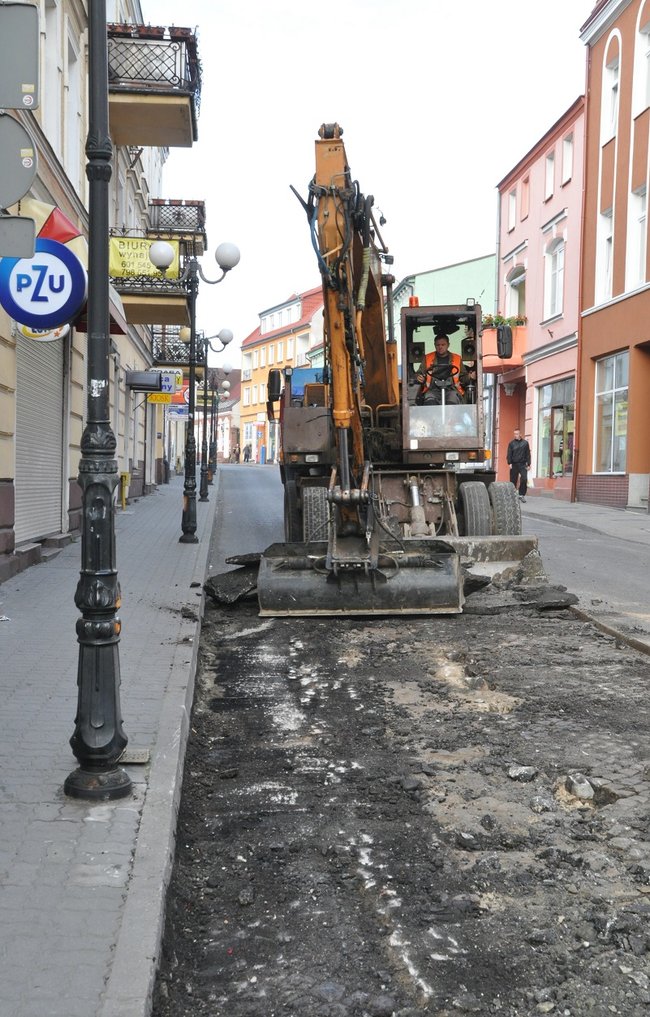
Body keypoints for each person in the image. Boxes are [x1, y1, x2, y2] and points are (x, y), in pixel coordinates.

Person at [415, 334, 467, 405]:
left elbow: (464, 376)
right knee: (429, 400)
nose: (440, 347)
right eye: (438, 345)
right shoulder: (427, 358)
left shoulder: (457, 358)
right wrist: (419, 377)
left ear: (448, 345)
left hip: (451, 390)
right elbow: (419, 373)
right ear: (434, 345)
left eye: (443, 345)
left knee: (452, 400)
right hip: (432, 390)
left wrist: (470, 376)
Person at [506, 427, 531, 501]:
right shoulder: (511, 443)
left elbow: (528, 454)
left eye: (517, 434)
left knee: (524, 479)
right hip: (514, 464)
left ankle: (521, 494)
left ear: (520, 434)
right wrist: (509, 463)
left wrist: (529, 464)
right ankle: (512, 495)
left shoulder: (525, 443)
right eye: (514, 434)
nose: (515, 435)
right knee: (513, 480)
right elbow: (509, 454)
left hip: (523, 464)